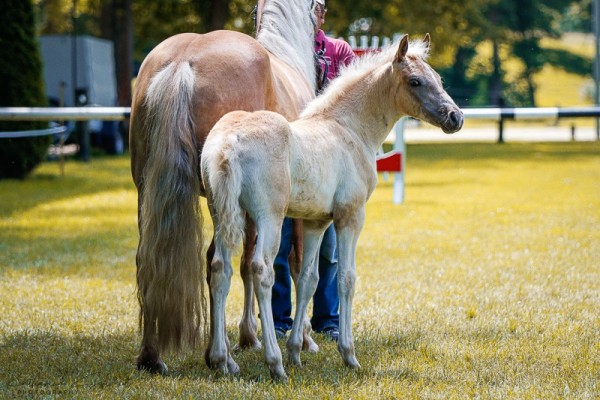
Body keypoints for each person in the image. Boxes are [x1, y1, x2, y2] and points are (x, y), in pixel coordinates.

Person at [271, 0, 355, 343]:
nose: (313, 13)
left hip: (325, 157)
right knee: (279, 242)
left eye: (318, 7)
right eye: (309, 6)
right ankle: (278, 318)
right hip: (288, 156)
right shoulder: (279, 55)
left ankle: (327, 319)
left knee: (328, 247)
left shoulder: (337, 50)